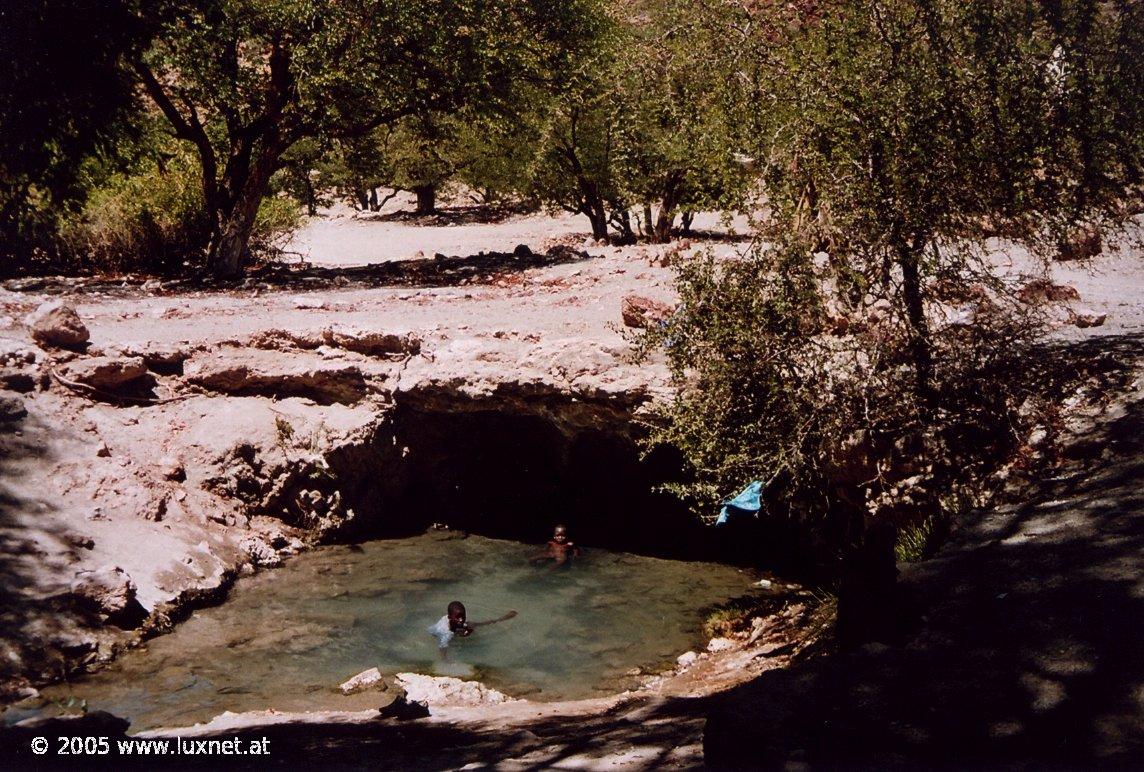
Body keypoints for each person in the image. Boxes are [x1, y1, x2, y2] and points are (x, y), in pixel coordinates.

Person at [428, 600, 517, 659]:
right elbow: (442, 647)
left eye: (463, 617)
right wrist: (445, 660)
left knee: (473, 625)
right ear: (449, 617)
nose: (461, 620)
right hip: (435, 634)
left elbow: (461, 622)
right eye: (458, 617)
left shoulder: (456, 620)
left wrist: (465, 630)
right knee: (450, 638)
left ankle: (501, 619)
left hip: (453, 627)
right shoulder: (445, 632)